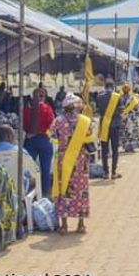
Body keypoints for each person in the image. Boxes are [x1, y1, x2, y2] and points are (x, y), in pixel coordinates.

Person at [50, 94, 92, 234]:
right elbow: (90, 139)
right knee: (81, 191)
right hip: (80, 160)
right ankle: (81, 224)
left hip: (64, 161)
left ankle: (64, 225)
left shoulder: (57, 121)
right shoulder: (85, 121)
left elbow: (52, 139)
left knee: (64, 190)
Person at [23, 88, 55, 198]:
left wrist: (31, 133)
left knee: (28, 168)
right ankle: (45, 193)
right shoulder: (47, 108)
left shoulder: (26, 109)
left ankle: (29, 193)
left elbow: (24, 125)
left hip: (30, 141)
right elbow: (52, 125)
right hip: (44, 140)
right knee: (45, 169)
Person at [96, 83, 124, 180]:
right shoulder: (117, 97)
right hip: (115, 125)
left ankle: (105, 172)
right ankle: (114, 172)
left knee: (104, 149)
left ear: (105, 87)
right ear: (113, 88)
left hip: (104, 125)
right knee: (115, 149)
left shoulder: (99, 97)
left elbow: (98, 109)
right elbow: (121, 110)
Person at [119, 84, 139, 152]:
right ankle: (132, 147)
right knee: (132, 132)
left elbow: (119, 108)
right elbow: (137, 108)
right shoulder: (133, 98)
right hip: (132, 118)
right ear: (129, 90)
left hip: (124, 118)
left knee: (125, 133)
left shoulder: (120, 98)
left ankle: (126, 147)